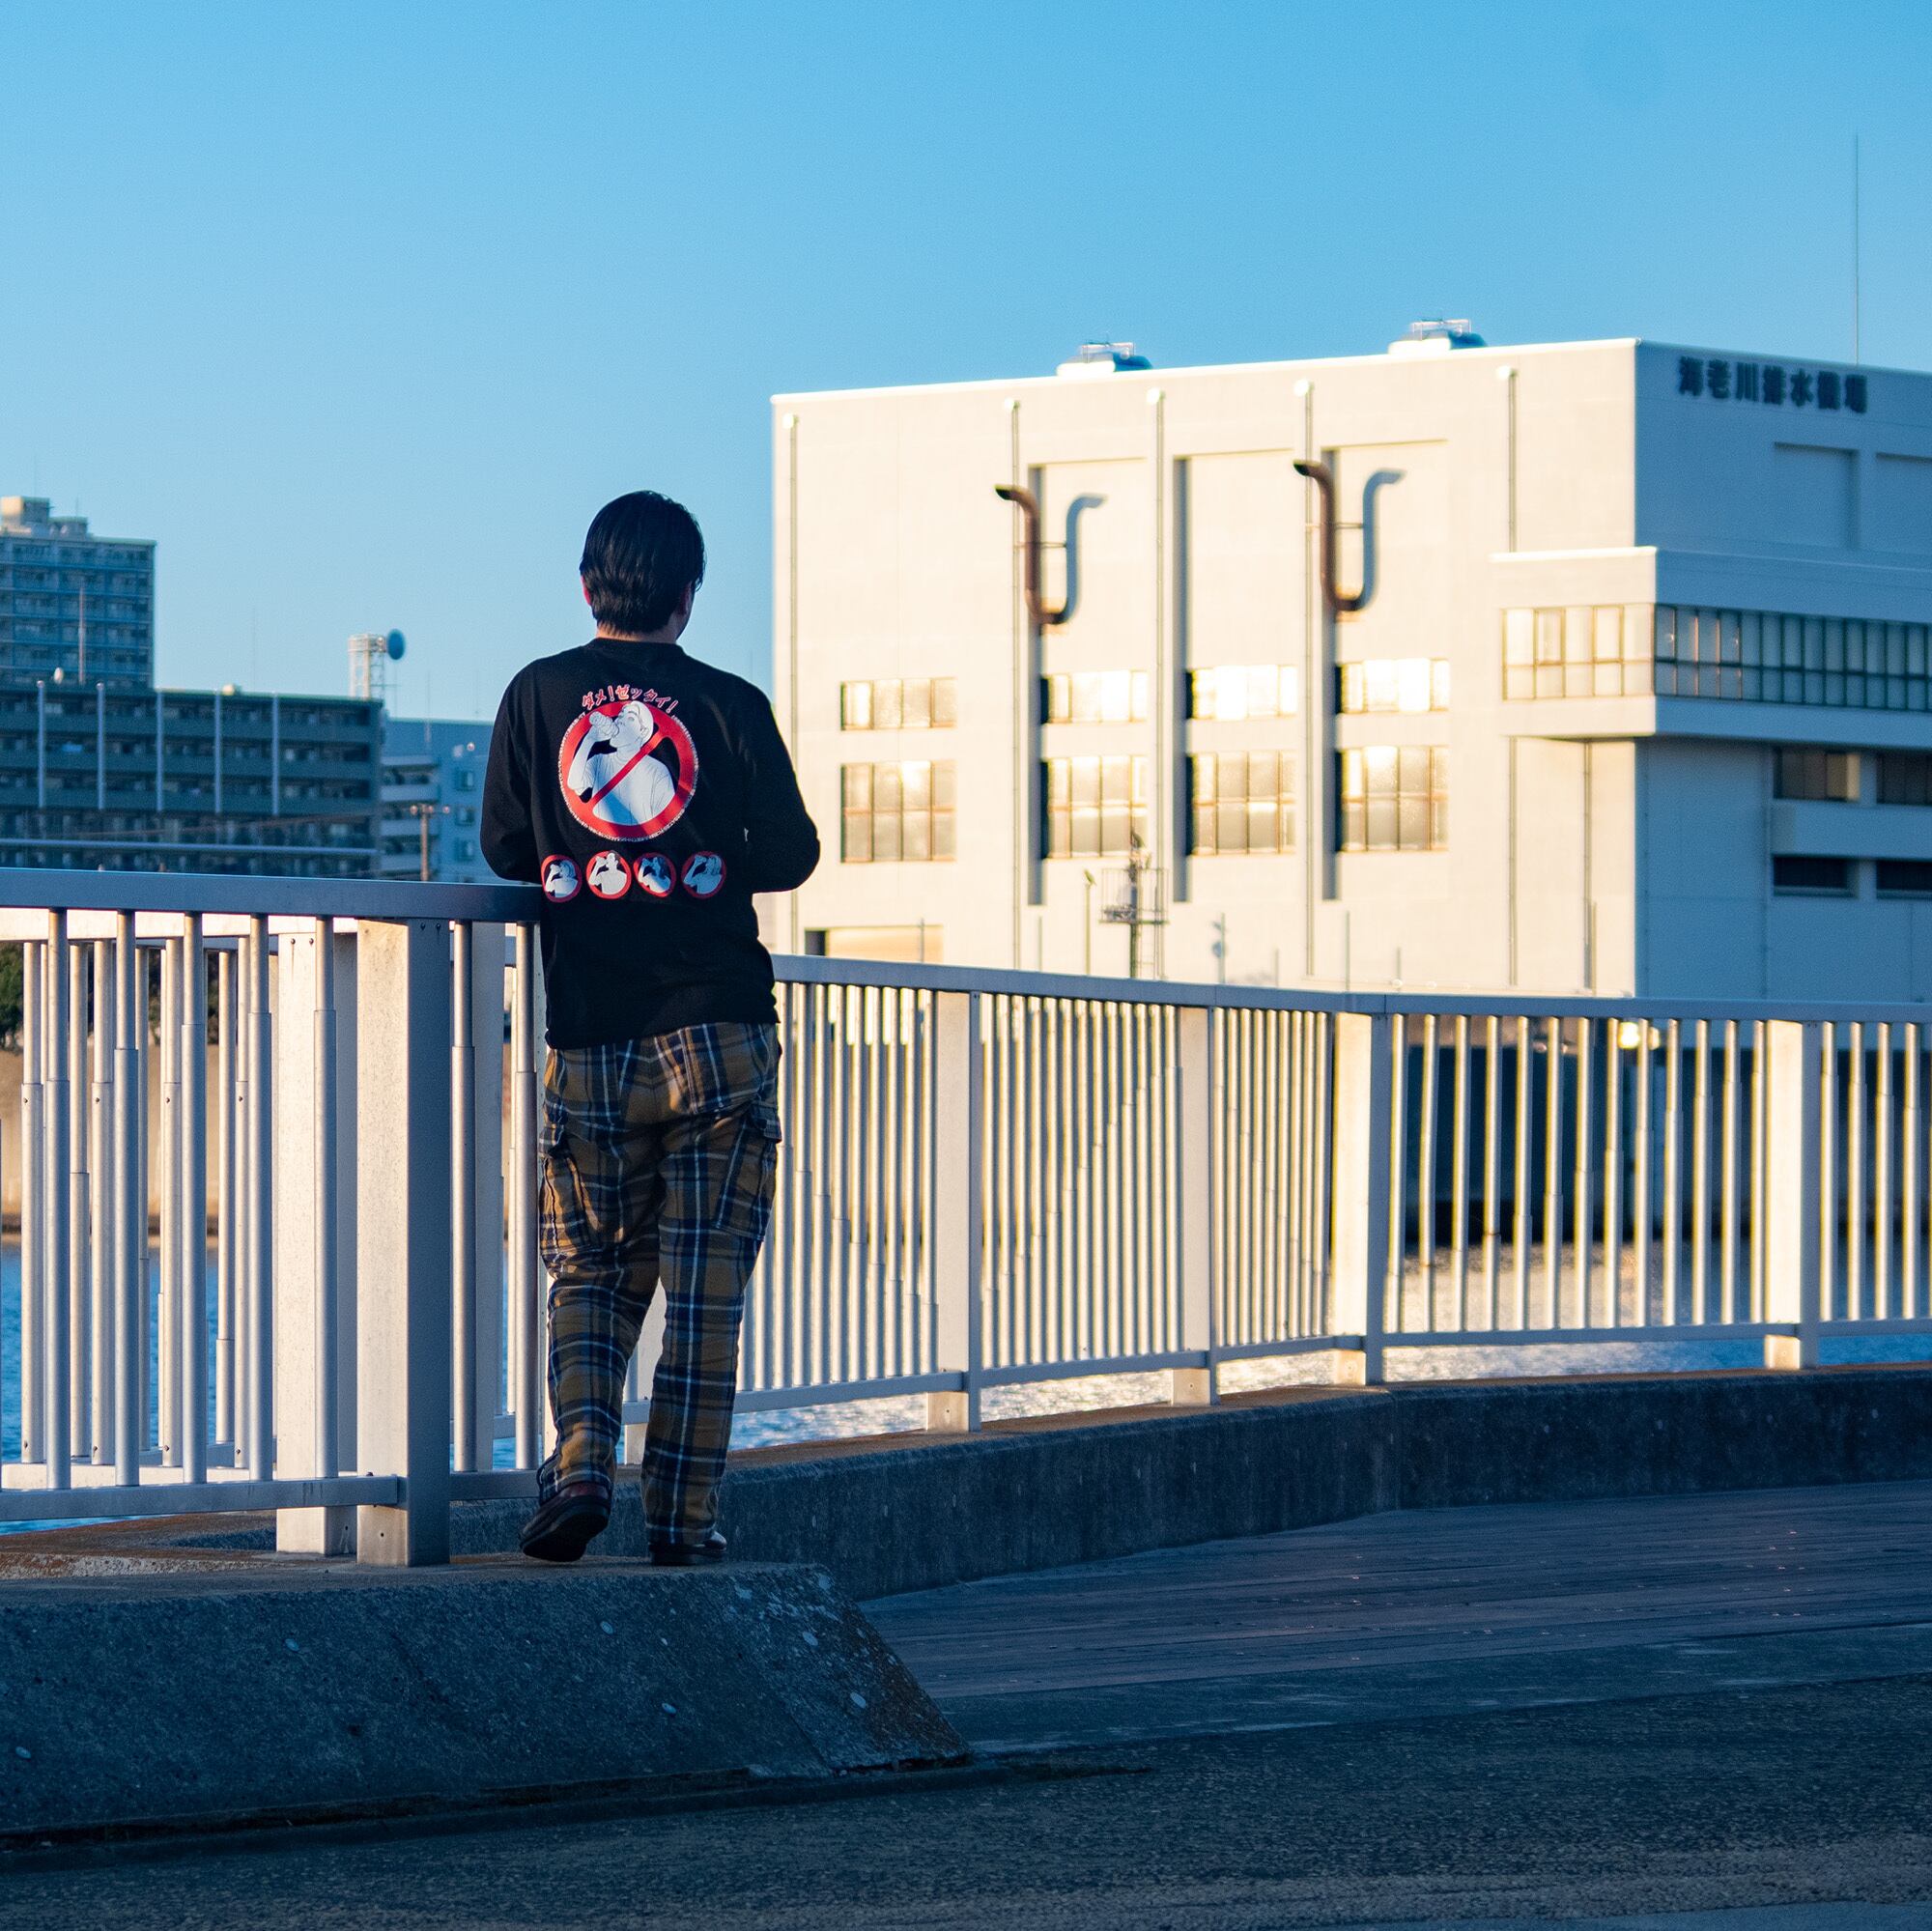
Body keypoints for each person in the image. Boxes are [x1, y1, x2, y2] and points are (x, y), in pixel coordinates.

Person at [482, 490, 819, 1564]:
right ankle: (681, 1522)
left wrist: (590, 858)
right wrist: (699, 856)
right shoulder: (729, 703)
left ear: (589, 586)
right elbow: (793, 853)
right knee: (704, 1295)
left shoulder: (538, 695)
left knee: (586, 1266)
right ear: (687, 596)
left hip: (591, 1030)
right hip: (719, 1031)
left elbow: (504, 844)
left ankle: (583, 1461)